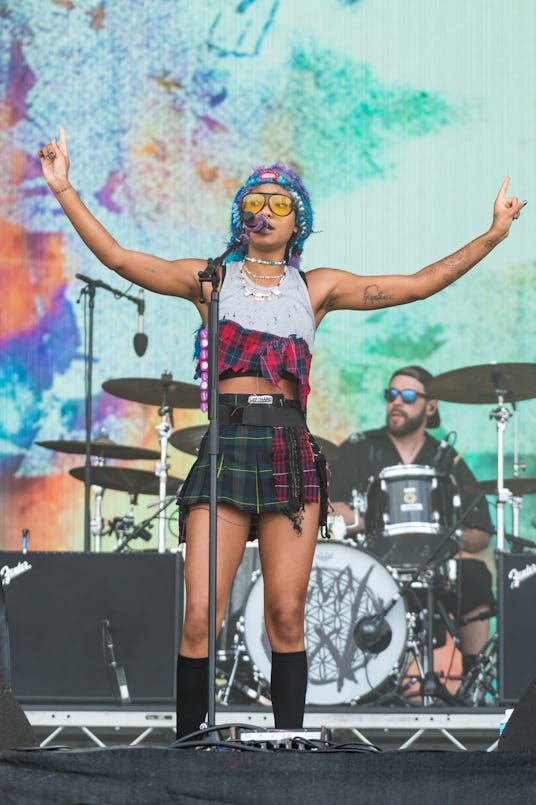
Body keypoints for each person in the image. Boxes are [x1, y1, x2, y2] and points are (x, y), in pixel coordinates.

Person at [38, 128, 525, 736]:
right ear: (239, 214)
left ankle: (289, 743)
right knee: (199, 618)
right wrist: (62, 187)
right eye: (253, 203)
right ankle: (190, 743)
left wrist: (494, 233)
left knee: (287, 615)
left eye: (279, 205)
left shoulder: (315, 287)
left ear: (300, 221)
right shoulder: (210, 279)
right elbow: (119, 259)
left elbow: (417, 284)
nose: (264, 213)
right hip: (226, 448)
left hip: (289, 450)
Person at [330, 365, 495, 681]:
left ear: (431, 406)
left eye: (407, 396)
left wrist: (449, 534)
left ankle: (474, 679)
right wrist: (373, 518)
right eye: (391, 395)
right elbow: (330, 509)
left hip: (435, 568)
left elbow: (481, 533)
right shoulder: (359, 448)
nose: (396, 402)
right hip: (373, 566)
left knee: (475, 576)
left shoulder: (447, 460)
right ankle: (361, 683)